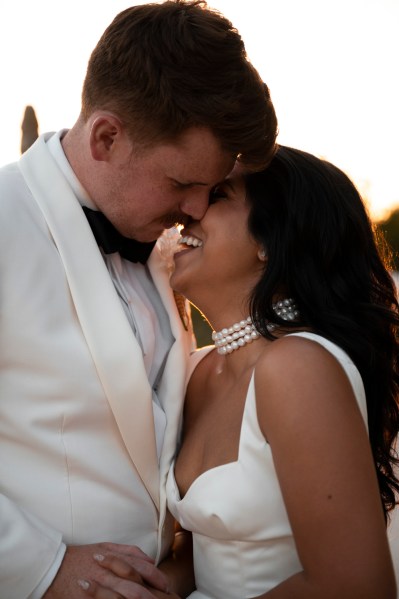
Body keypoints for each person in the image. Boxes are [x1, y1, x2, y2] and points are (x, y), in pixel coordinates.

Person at [0, 1, 278, 597]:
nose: (199, 211)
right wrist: (41, 569)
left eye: (210, 188)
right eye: (183, 184)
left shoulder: (158, 249)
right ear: (106, 136)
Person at [89, 146, 399, 598]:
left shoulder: (299, 367)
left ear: (269, 241)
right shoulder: (200, 371)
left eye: (216, 195)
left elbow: (356, 586)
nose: (186, 214)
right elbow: (211, 546)